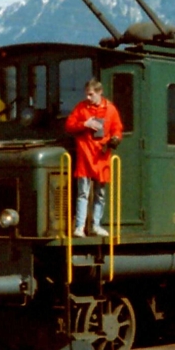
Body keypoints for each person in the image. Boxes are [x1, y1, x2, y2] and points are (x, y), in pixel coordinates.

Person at [65, 78, 123, 238]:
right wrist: (85, 124)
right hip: (85, 155)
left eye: (90, 94)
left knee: (100, 193)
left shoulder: (110, 109)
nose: (88, 98)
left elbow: (117, 128)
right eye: (87, 95)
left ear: (99, 92)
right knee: (83, 193)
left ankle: (96, 225)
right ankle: (79, 227)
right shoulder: (81, 108)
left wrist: (116, 139)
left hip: (101, 156)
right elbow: (69, 125)